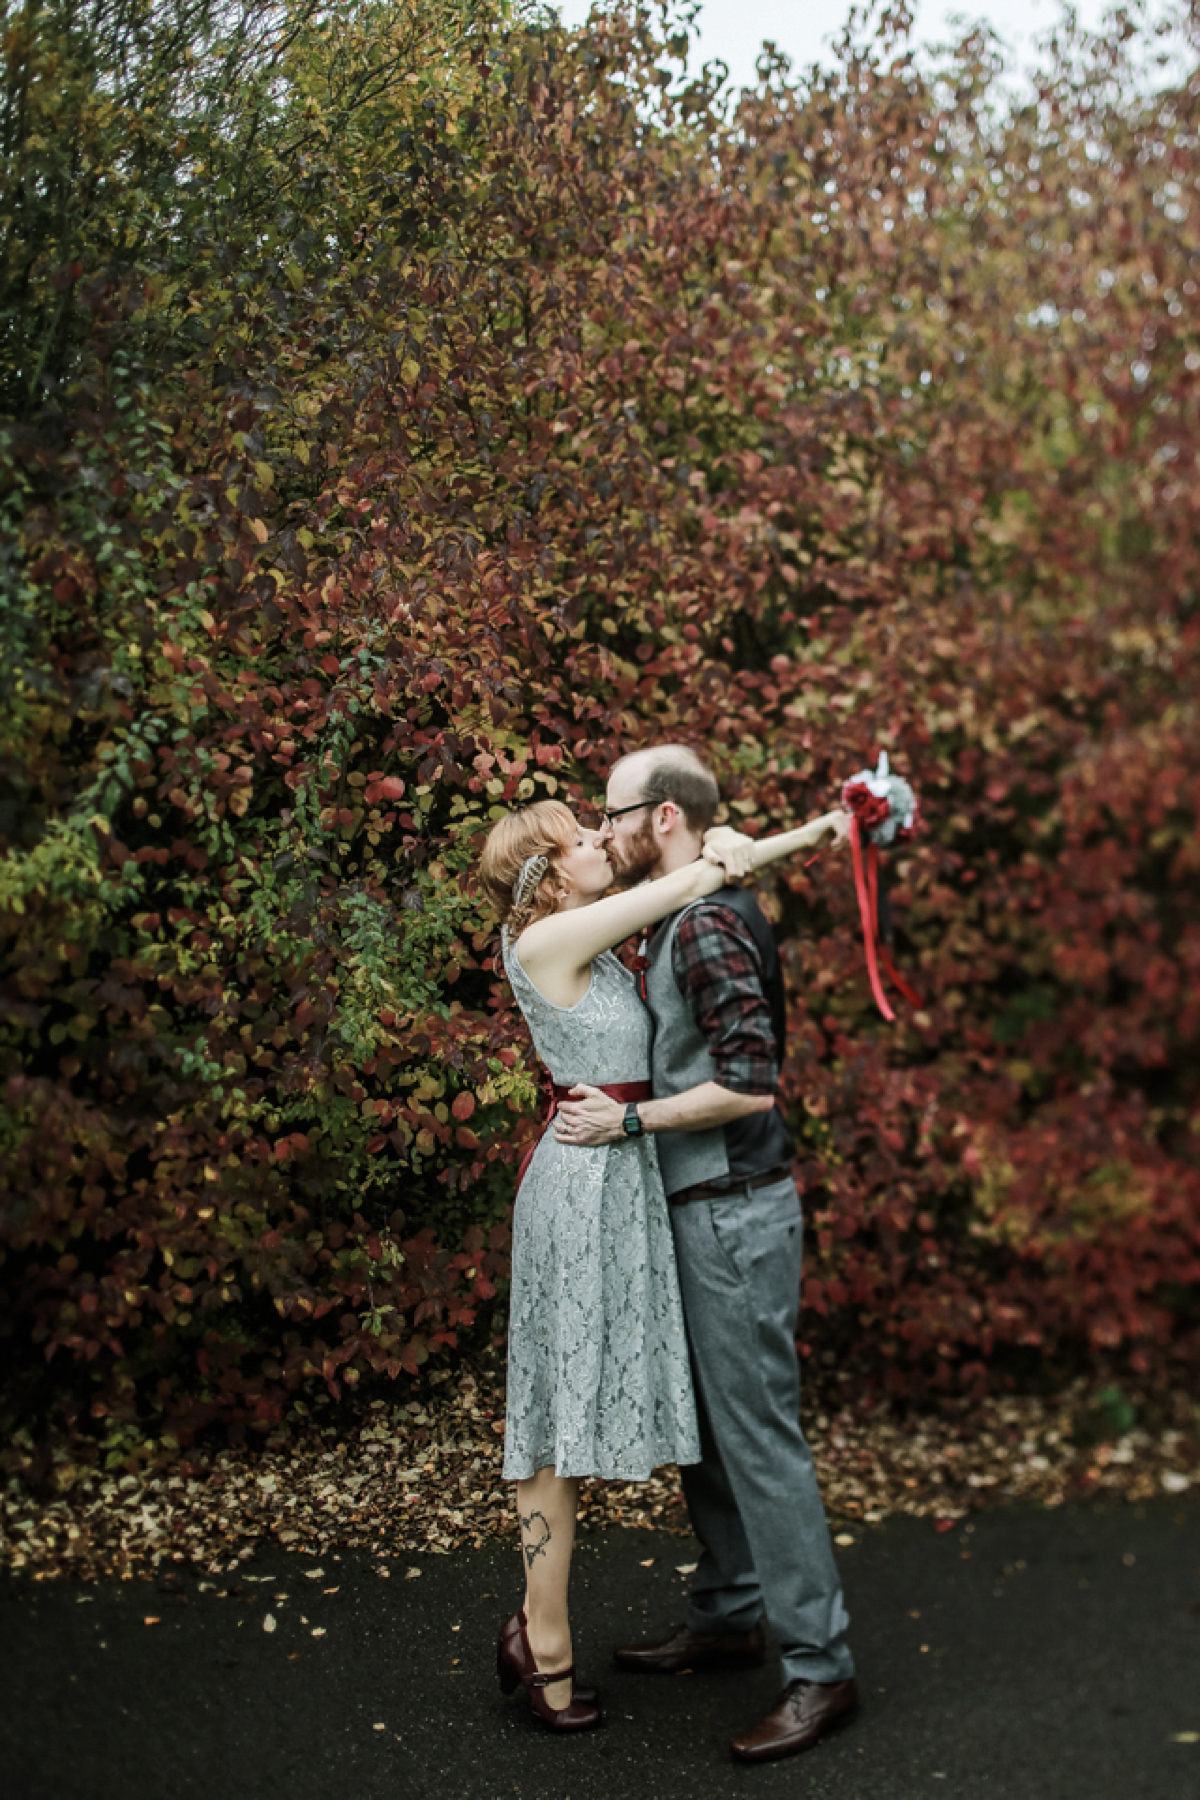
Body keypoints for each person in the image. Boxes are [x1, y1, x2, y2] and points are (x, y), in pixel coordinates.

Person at [479, 791, 845, 1735]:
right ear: (554, 872)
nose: (605, 838)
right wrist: (750, 844)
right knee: (558, 1413)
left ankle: (544, 1627)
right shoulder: (543, 945)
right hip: (579, 1189)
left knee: (592, 1407)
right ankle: (546, 1647)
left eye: (604, 824)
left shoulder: (596, 946)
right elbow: (690, 879)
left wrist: (793, 837)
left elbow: (686, 892)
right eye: (584, 836)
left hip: (627, 1181)